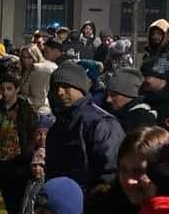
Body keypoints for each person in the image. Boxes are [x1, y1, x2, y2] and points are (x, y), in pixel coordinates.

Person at [44, 61, 125, 191]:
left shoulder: (100, 123)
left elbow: (110, 171)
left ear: (80, 87)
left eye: (66, 86)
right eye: (55, 88)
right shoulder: (58, 124)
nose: (60, 92)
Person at [0, 74, 37, 214]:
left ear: (17, 90)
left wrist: (25, 155)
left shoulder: (25, 109)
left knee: (14, 203)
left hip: (18, 164)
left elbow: (31, 134)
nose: (5, 93)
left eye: (9, 89)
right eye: (3, 89)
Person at [103, 68, 157, 132]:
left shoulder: (142, 120)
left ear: (129, 95)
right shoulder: (117, 110)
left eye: (113, 95)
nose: (108, 100)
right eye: (107, 94)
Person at [19, 43, 57, 115]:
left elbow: (38, 100)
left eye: (30, 57)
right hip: (27, 107)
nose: (26, 60)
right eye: (24, 57)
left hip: (38, 110)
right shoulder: (25, 70)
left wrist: (19, 98)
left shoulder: (39, 71)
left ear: (36, 56)